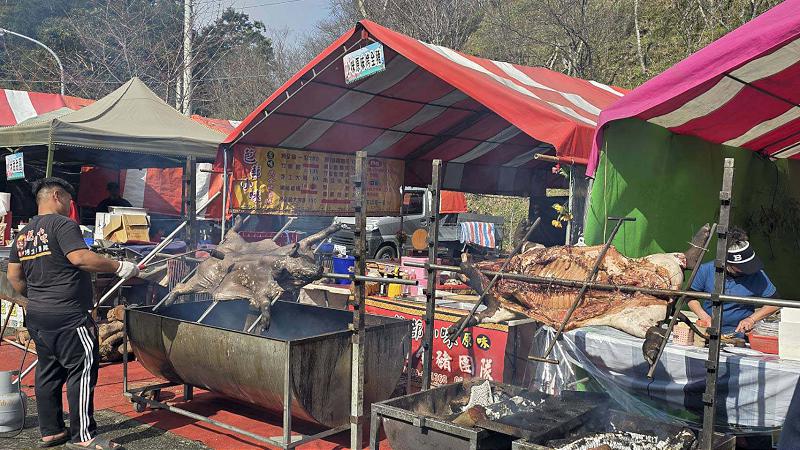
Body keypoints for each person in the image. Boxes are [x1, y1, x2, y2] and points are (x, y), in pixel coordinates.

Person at [6, 177, 138, 450]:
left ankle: (52, 431)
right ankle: (83, 436)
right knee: (83, 370)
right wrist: (119, 265)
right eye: (68, 199)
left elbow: (14, 277)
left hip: (39, 316)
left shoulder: (24, 233)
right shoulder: (63, 225)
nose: (70, 205)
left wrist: (37, 296)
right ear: (56, 195)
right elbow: (80, 258)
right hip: (68, 315)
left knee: (48, 371)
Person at [687, 227, 778, 335]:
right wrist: (704, 316)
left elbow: (775, 303)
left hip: (740, 333)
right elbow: (689, 297)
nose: (747, 270)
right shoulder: (706, 270)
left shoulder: (757, 275)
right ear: (727, 264)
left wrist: (751, 319)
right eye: (743, 267)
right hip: (707, 331)